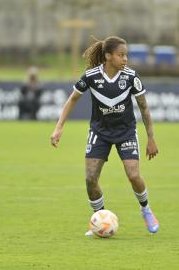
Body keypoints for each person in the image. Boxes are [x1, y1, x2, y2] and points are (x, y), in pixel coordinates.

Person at [50, 36, 160, 235]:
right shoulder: (91, 76)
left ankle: (146, 209)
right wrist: (59, 127)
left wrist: (150, 138)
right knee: (91, 179)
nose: (125, 59)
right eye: (120, 55)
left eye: (126, 55)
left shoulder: (131, 77)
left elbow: (144, 107)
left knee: (133, 175)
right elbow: (72, 99)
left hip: (126, 132)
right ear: (108, 56)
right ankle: (100, 219)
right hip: (99, 133)